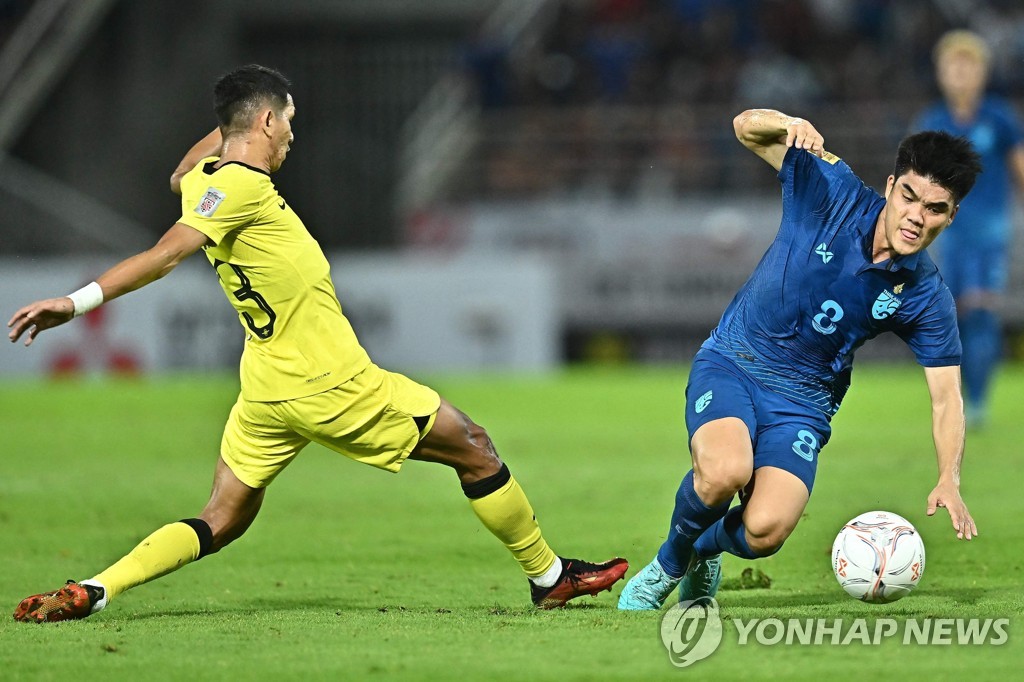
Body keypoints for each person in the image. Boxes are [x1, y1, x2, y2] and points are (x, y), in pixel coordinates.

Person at [8, 64, 627, 623]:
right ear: (269, 121)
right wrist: (76, 300)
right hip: (329, 382)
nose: (291, 138)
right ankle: (549, 578)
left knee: (220, 519)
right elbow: (166, 254)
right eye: (288, 124)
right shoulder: (243, 191)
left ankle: (95, 587)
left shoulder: (209, 179)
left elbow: (181, 175)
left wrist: (231, 122)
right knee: (474, 447)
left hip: (267, 388)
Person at [617, 108, 981, 610]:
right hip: (737, 360)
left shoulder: (925, 296)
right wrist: (786, 122)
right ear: (891, 184)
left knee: (766, 530)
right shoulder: (831, 188)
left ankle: (703, 549)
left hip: (804, 403)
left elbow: (947, 399)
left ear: (951, 215)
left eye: (936, 209)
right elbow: (744, 127)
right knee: (725, 472)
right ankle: (668, 565)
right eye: (909, 197)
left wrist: (949, 478)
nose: (917, 217)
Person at [911, 29, 1024, 429]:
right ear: (940, 72)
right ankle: (954, 401)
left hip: (990, 234)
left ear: (982, 71)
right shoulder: (933, 121)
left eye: (968, 64)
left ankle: (977, 403)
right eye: (952, 65)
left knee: (980, 311)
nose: (960, 73)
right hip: (947, 235)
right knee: (950, 317)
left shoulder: (1000, 118)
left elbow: (1019, 169)